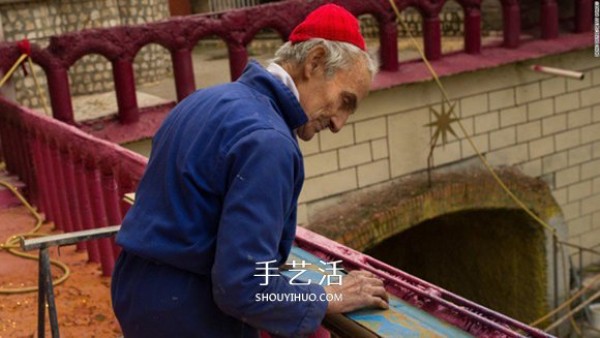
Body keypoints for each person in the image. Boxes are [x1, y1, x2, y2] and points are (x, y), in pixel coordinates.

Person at [111, 4, 388, 337]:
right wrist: (328, 294)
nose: (339, 124)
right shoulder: (270, 142)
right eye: (345, 101)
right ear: (314, 62)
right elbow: (244, 285)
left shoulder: (202, 101)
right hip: (191, 315)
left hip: (138, 293)